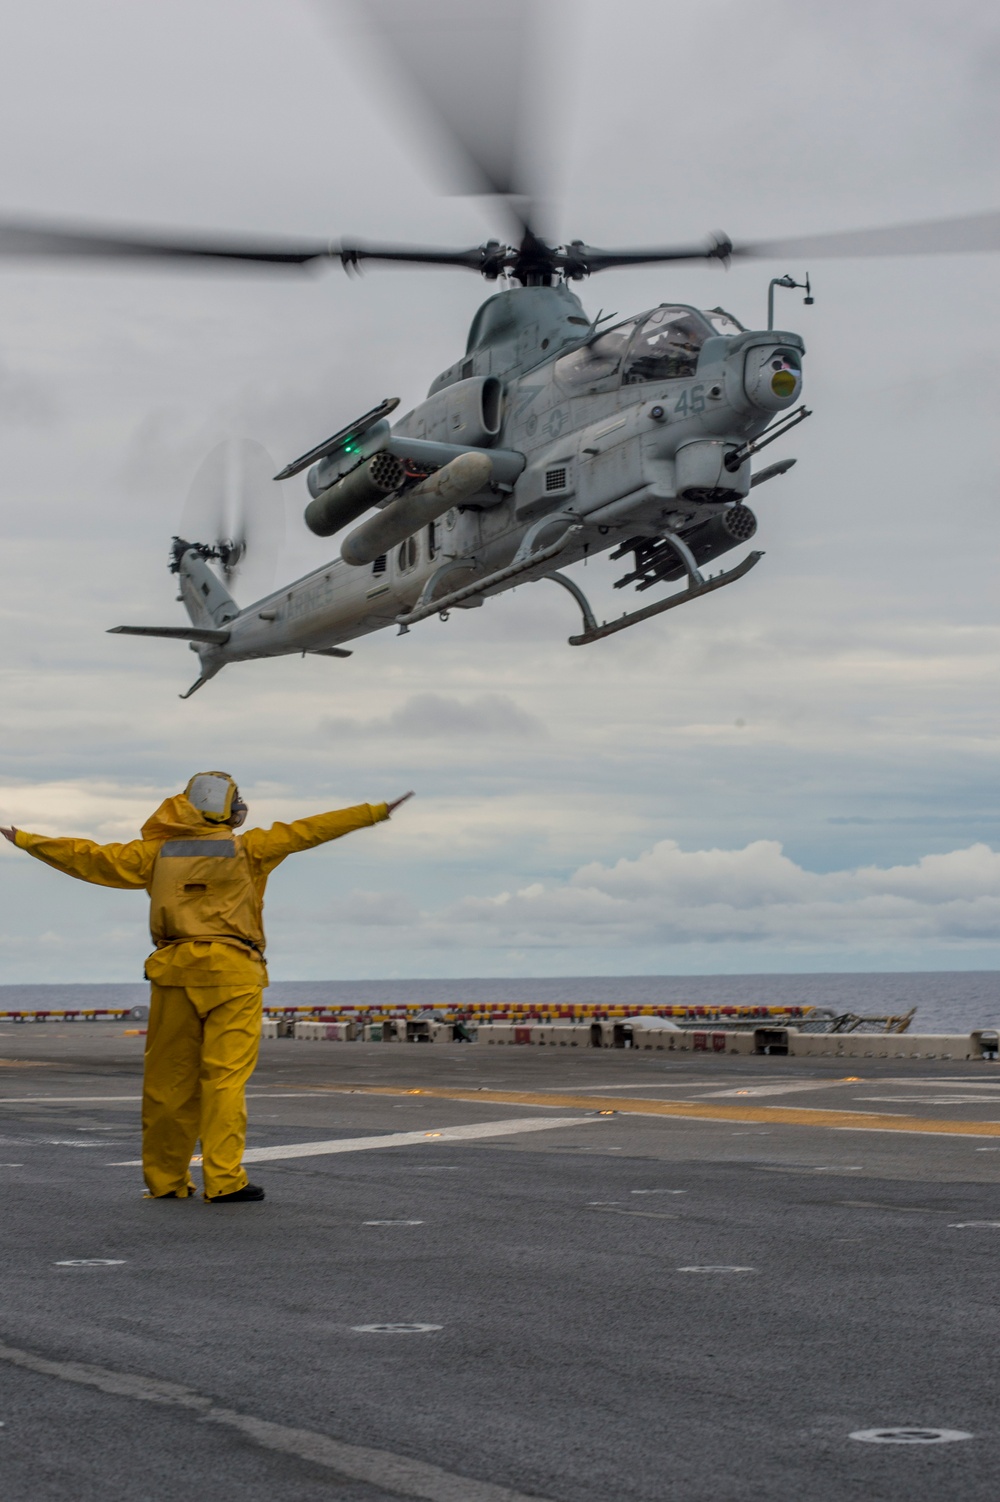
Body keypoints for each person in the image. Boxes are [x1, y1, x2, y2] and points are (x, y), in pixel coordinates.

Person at [1, 773, 413, 1204]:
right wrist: (373, 813)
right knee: (224, 1080)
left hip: (174, 972)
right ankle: (224, 1179)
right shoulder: (248, 848)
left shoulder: (155, 853)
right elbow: (308, 830)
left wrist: (29, 840)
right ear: (226, 809)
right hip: (234, 973)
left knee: (167, 1083)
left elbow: (89, 857)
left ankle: (165, 1181)